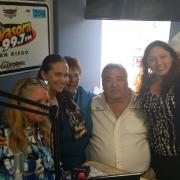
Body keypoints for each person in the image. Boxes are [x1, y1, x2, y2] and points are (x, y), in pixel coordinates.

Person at [86, 63, 150, 174]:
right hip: (99, 174)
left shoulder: (143, 103)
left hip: (140, 176)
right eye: (108, 80)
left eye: (119, 79)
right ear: (102, 83)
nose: (114, 84)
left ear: (127, 81)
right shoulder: (92, 104)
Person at [38, 54, 93, 170]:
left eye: (65, 75)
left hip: (75, 168)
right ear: (44, 75)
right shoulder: (34, 101)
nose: (64, 80)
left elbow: (81, 135)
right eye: (58, 74)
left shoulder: (67, 102)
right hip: (45, 170)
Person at [138, 40, 180, 180]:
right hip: (155, 156)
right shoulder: (147, 82)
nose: (159, 63)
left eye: (163, 56)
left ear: (172, 57)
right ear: (147, 63)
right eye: (152, 59)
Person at [0, 78, 54, 179]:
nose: (45, 106)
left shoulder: (45, 129)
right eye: (38, 101)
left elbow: (55, 168)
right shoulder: (4, 135)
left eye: (47, 101)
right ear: (20, 103)